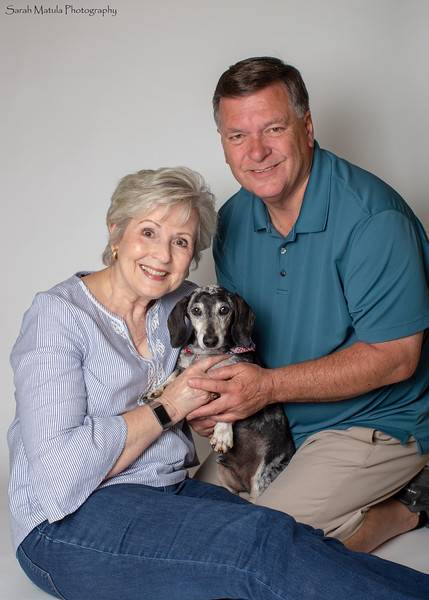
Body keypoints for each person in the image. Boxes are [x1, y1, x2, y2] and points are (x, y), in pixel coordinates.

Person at [11, 165, 429, 599]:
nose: (162, 255)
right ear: (116, 232)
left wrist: (218, 408)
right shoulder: (57, 318)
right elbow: (59, 478)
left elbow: (229, 369)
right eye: (148, 232)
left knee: (280, 531)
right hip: (65, 522)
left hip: (165, 491)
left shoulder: (178, 303)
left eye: (181, 242)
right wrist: (169, 406)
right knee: (255, 554)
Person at [187, 56, 429, 554]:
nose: (256, 152)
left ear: (307, 126)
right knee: (187, 521)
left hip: (376, 420)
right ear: (224, 145)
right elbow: (239, 345)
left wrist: (267, 387)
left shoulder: (373, 220)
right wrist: (217, 404)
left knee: (262, 544)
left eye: (273, 128)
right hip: (278, 420)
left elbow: (397, 357)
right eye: (238, 136)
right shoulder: (232, 221)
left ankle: (403, 509)